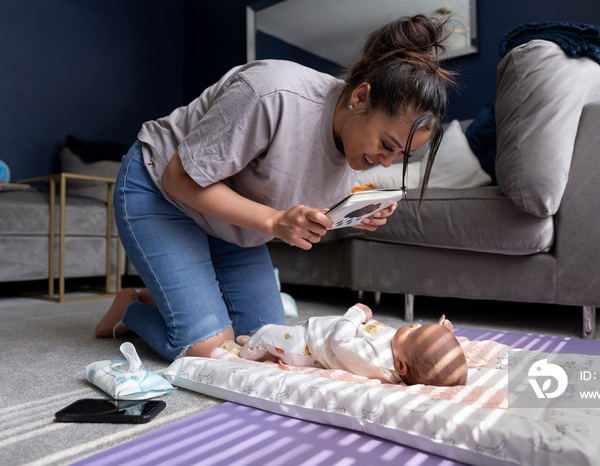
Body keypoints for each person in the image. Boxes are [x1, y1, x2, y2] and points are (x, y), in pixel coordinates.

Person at [95, 14, 456, 362]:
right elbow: (180, 178)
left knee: (265, 343)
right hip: (163, 191)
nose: (387, 161)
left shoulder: (354, 149)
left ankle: (164, 296)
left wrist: (354, 214)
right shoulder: (273, 93)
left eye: (402, 155)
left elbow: (297, 192)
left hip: (232, 224)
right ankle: (131, 308)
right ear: (360, 97)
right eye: (388, 145)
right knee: (212, 350)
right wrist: (273, 221)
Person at [227, 303, 467, 387]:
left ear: (401, 367)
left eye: (415, 333)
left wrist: (356, 313)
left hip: (306, 345)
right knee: (280, 332)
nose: (415, 325)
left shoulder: (376, 359)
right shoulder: (403, 353)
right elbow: (430, 355)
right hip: (316, 328)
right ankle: (256, 342)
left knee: (270, 333)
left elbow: (340, 342)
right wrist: (442, 333)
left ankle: (243, 353)